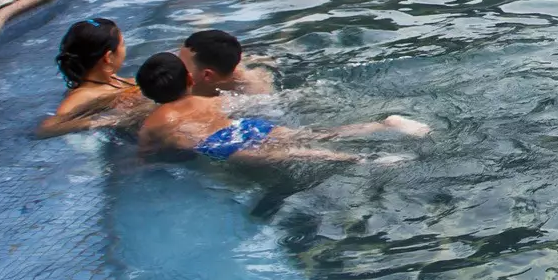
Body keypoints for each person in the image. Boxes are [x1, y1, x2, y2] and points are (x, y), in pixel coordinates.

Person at [134, 52, 425, 165]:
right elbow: (240, 106)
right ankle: (383, 124)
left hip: (218, 146)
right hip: (243, 128)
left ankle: (361, 159)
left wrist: (139, 163)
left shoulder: (153, 123)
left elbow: (146, 153)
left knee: (298, 154)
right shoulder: (207, 99)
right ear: (189, 79)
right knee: (311, 135)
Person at [37, 17, 145, 136]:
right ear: (108, 57)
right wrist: (103, 120)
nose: (125, 49)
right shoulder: (83, 95)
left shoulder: (110, 78)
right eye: (123, 44)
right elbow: (45, 129)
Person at [180, 28, 271, 96]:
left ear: (207, 75)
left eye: (182, 66)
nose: (174, 64)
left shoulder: (254, 93)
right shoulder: (226, 61)